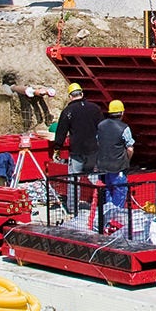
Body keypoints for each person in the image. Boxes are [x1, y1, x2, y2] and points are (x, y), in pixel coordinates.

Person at [55, 83, 102, 215]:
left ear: (70, 96)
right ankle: (103, 202)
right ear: (82, 93)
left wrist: (57, 147)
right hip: (93, 150)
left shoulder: (68, 112)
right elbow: (102, 127)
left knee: (73, 179)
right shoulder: (94, 108)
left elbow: (61, 132)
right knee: (95, 177)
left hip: (77, 151)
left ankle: (72, 208)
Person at [92, 99, 135, 217]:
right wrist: (127, 160)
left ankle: (106, 218)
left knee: (107, 192)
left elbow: (98, 142)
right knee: (120, 192)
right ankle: (115, 218)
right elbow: (130, 148)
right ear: (121, 113)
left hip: (103, 166)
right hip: (118, 167)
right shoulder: (124, 128)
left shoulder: (101, 125)